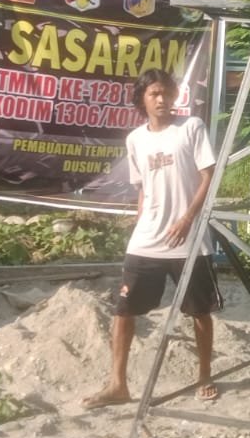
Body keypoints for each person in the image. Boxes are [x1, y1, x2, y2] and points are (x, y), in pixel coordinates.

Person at [84, 69, 221, 408]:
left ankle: (204, 375)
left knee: (199, 312)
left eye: (166, 93)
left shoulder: (191, 128)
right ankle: (118, 385)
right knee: (124, 310)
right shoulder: (135, 140)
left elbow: (209, 176)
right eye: (154, 94)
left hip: (189, 240)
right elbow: (143, 187)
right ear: (142, 100)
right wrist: (140, 217)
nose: (161, 99)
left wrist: (187, 219)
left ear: (174, 96)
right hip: (147, 239)